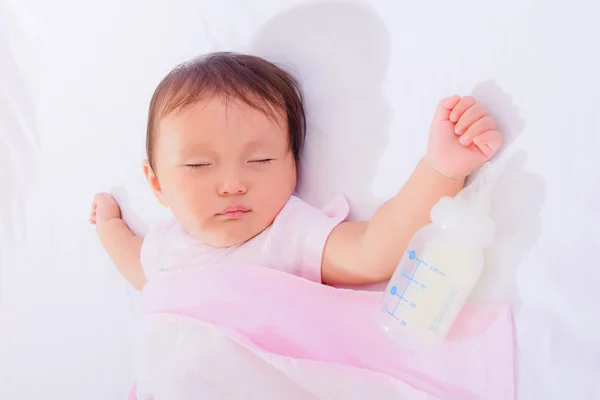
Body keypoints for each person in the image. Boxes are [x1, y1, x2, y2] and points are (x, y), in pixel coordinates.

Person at [89, 52, 503, 290]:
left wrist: (441, 168)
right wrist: (110, 227)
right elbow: (137, 268)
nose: (233, 185)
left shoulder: (287, 236)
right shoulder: (164, 248)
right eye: (199, 165)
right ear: (156, 184)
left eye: (260, 162)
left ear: (293, 167)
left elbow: (376, 250)